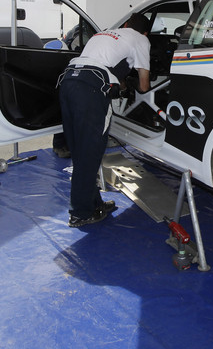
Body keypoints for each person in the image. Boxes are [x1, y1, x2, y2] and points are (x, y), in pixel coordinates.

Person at [58, 13, 151, 227]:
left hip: (69, 80)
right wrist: (133, 88)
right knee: (90, 152)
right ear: (144, 32)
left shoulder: (105, 33)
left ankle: (92, 204)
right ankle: (81, 213)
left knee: (80, 151)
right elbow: (144, 85)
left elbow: (110, 67)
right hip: (91, 88)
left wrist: (122, 85)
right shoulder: (141, 39)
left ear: (126, 24)